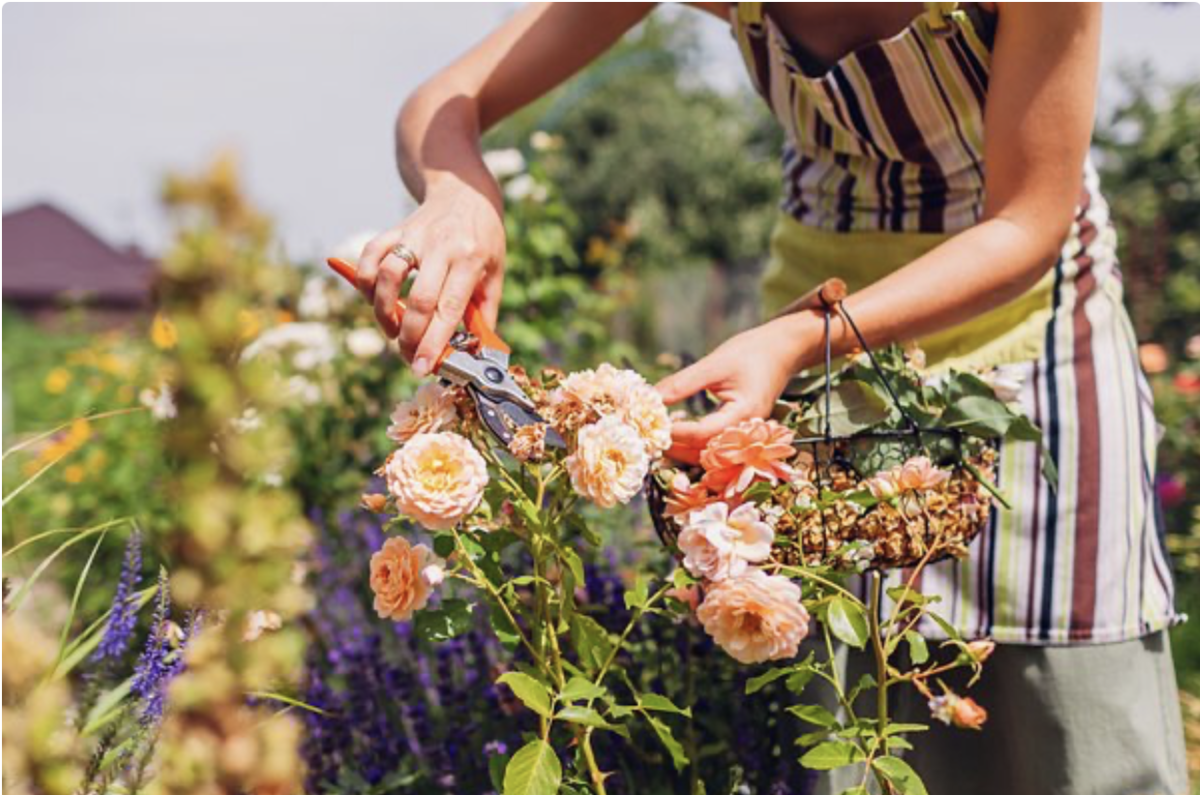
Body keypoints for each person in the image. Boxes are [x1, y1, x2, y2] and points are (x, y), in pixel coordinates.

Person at [352, 4, 1188, 793]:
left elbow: (1027, 223)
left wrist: (800, 335)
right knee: (849, 721)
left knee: (1081, 719)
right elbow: (443, 102)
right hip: (817, 384)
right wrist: (458, 194)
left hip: (1030, 349)